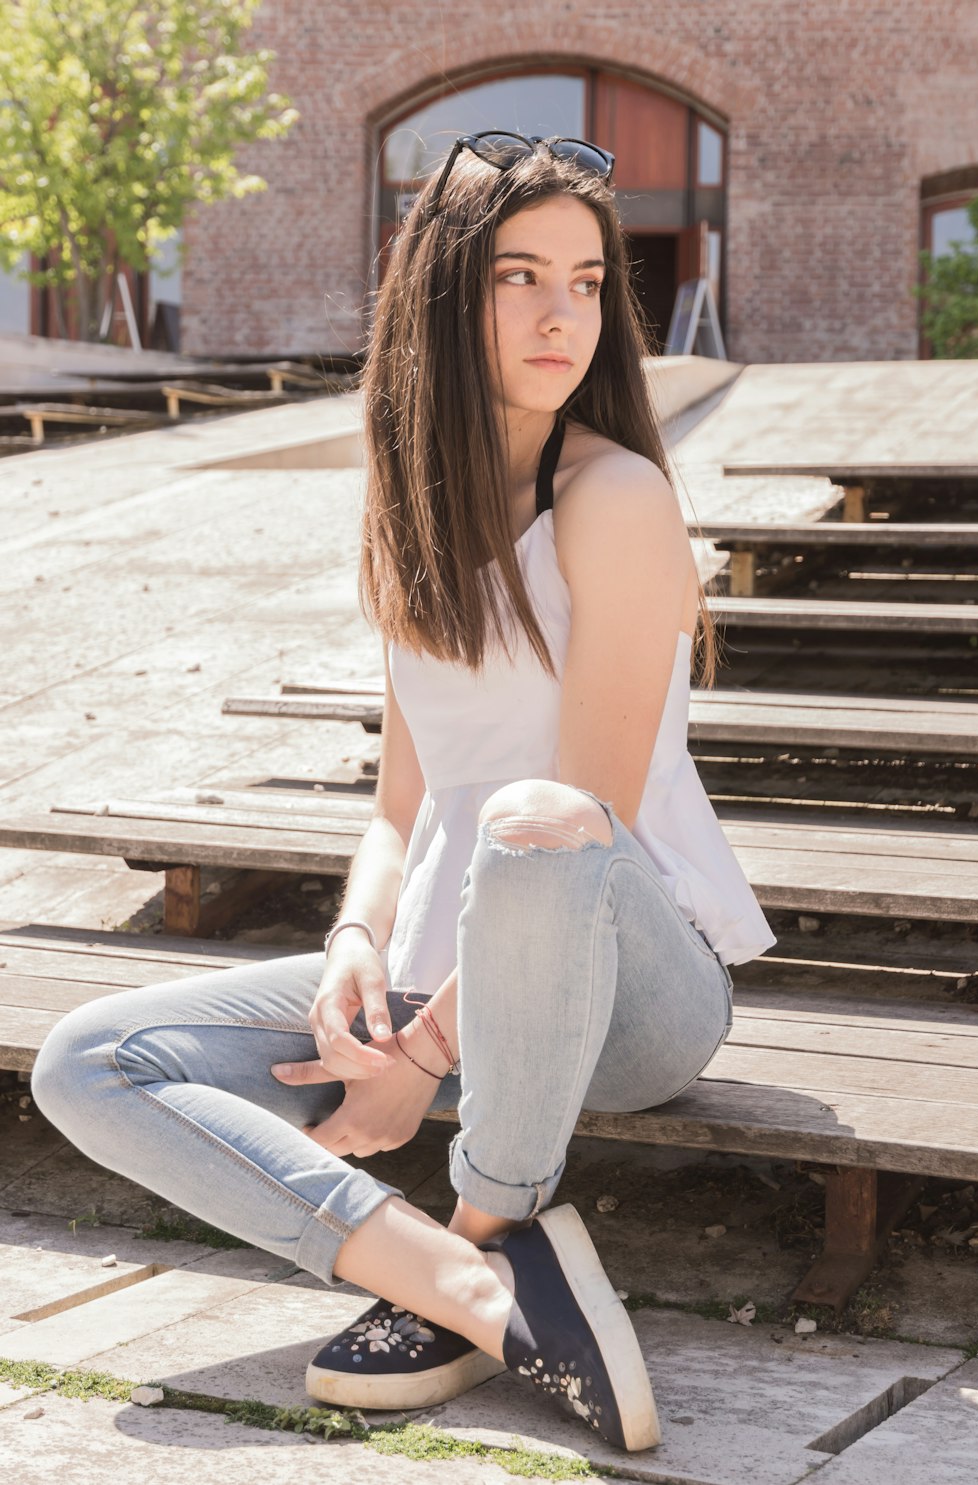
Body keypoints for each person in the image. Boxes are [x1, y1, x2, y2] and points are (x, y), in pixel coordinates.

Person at [30, 131, 775, 1455]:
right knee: (90, 1060)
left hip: (636, 987)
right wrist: (358, 947)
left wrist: (420, 1054)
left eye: (592, 280)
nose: (566, 314)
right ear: (447, 292)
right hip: (448, 977)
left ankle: (484, 1221)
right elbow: (398, 805)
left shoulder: (616, 495)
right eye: (521, 277)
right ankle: (469, 1286)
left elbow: (584, 829)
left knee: (533, 821)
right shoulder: (414, 505)